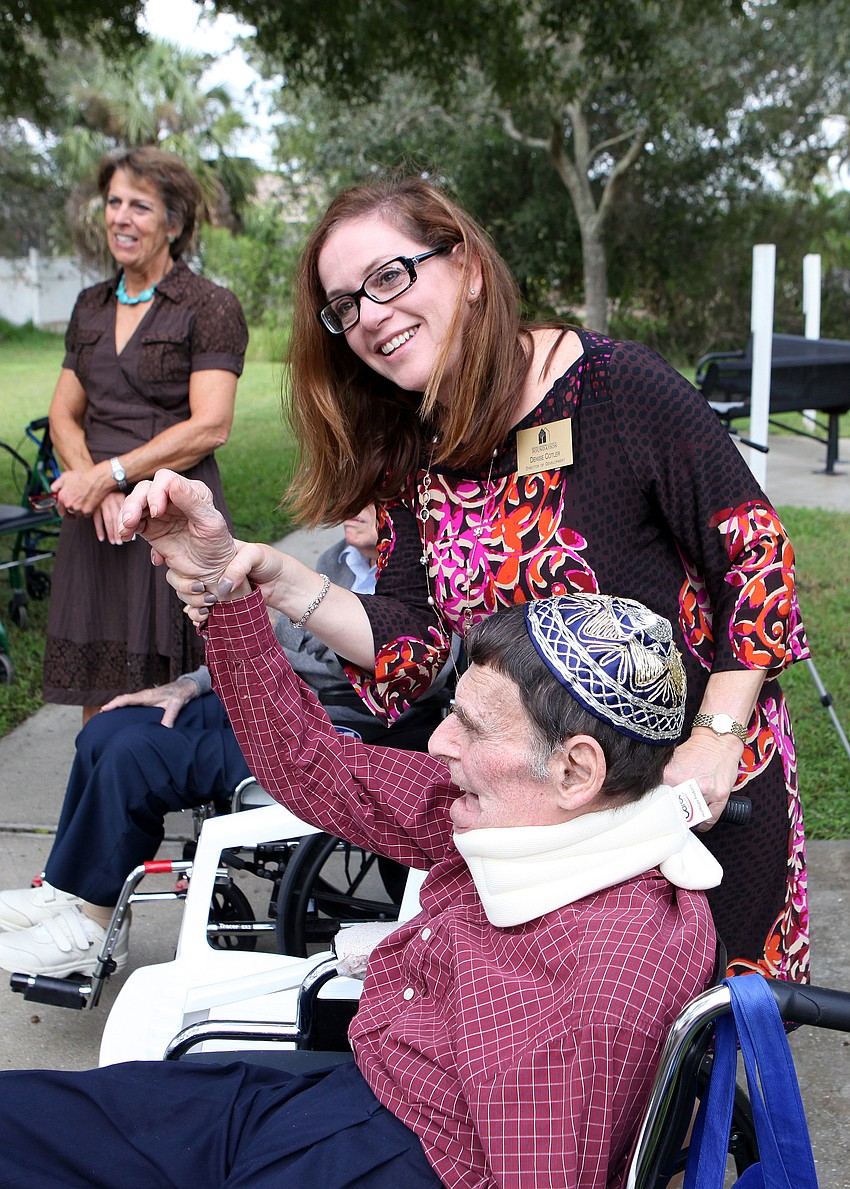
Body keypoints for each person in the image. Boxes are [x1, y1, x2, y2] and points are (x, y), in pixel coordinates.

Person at [160, 176, 810, 986]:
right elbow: (413, 636)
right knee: (587, 1079)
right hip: (552, 820)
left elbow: (753, 555)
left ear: (465, 265)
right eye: (344, 306)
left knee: (712, 1050)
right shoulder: (412, 447)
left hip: (699, 796)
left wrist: (715, 740)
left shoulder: (615, 387)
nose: (369, 316)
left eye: (389, 277)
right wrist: (283, 580)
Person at [0, 539, 720, 1187]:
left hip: (402, 1159)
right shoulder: (539, 820)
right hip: (338, 1098)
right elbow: (319, 766)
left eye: (470, 725)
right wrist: (227, 594)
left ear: (575, 769)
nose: (438, 743)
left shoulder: (603, 977)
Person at [0, 508, 445, 979]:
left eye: (374, 498)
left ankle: (94, 926)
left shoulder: (425, 584)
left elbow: (416, 674)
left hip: (328, 729)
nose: (352, 507)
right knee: (109, 727)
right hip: (271, 694)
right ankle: (67, 888)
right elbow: (273, 647)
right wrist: (189, 685)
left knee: (134, 757)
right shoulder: (340, 560)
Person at [42, 145, 249, 724]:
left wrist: (112, 475)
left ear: (174, 224)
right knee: (97, 682)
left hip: (169, 513)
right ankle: (107, 809)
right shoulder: (90, 306)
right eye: (113, 203)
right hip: (98, 522)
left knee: (175, 692)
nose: (120, 218)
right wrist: (98, 490)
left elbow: (212, 425)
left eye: (140, 206)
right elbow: (63, 415)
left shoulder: (209, 305)